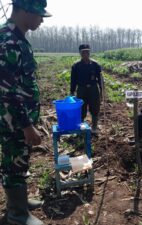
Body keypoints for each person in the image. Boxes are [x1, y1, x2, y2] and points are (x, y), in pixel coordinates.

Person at [0, 0, 51, 224]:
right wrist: (26, 125)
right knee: (14, 161)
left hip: (18, 118)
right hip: (13, 120)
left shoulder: (19, 38)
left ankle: (19, 202)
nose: (41, 19)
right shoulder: (8, 41)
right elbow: (8, 90)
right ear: (24, 11)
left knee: (18, 159)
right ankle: (17, 215)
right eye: (39, 14)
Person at [70, 44, 104, 134]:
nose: (86, 54)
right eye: (83, 52)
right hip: (81, 89)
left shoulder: (95, 65)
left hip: (93, 89)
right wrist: (72, 91)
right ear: (80, 53)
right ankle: (81, 127)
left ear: (89, 52)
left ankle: (94, 127)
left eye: (87, 52)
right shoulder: (76, 66)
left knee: (95, 108)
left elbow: (100, 79)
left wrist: (102, 91)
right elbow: (73, 80)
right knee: (81, 108)